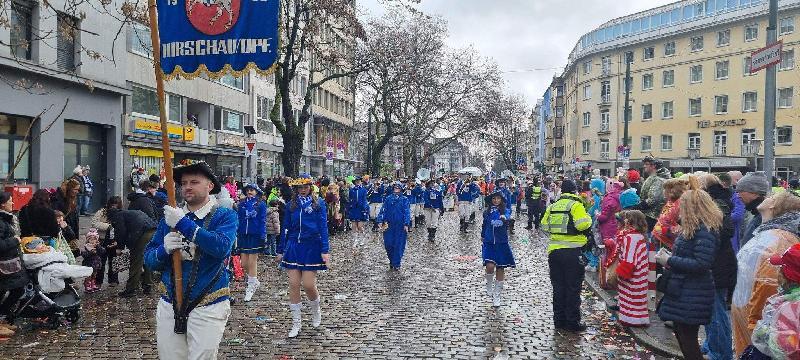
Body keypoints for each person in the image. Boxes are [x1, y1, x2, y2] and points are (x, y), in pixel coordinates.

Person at [144, 161, 237, 358]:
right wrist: (163, 250)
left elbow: (221, 248)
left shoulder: (224, 215)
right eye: (184, 183)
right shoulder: (169, 218)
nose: (187, 186)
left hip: (208, 302)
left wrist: (184, 224)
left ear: (210, 186)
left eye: (194, 182)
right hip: (170, 302)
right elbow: (150, 261)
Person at [655, 178, 722, 360]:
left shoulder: (704, 231)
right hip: (683, 289)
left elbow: (702, 263)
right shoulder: (693, 228)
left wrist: (670, 259)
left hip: (693, 291)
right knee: (682, 334)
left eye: (682, 205)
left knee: (688, 337)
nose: (679, 208)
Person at [732, 190, 800, 356]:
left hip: (756, 322)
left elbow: (769, 285)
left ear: (776, 206)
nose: (767, 197)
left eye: (772, 197)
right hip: (748, 313)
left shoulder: (780, 238)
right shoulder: (772, 232)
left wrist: (756, 326)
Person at [277, 174, 329, 338]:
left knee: (308, 284)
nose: (303, 190)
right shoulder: (292, 204)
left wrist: (325, 250)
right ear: (296, 189)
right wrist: (280, 249)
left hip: (311, 246)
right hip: (293, 247)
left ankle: (316, 310)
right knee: (293, 284)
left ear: (311, 187)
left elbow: (323, 228)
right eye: (300, 187)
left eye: (306, 186)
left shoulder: (318, 203)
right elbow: (285, 227)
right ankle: (296, 323)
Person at [540, 179, 593, 332]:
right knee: (573, 287)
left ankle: (559, 320)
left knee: (558, 287)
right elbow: (582, 224)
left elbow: (544, 225)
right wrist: (589, 218)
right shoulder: (576, 205)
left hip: (554, 252)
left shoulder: (553, 206)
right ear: (575, 191)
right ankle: (572, 322)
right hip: (573, 252)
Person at [698, 173, 736, 360]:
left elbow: (723, 233)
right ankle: (711, 346)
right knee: (712, 311)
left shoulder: (718, 207)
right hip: (719, 265)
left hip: (718, 266)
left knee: (717, 312)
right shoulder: (719, 204)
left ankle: (720, 353)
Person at [745, 243, 800, 359]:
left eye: (781, 269)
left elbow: (785, 349)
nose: (778, 273)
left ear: (788, 276)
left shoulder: (789, 308)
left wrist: (765, 333)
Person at [109, 206, 158, 298]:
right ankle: (148, 285)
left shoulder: (117, 216)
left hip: (143, 234)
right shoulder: (129, 213)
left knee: (136, 261)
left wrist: (120, 248)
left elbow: (121, 232)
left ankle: (131, 289)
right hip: (153, 230)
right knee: (147, 259)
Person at [614, 210, 650, 327]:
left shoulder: (631, 237)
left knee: (630, 299)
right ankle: (639, 319)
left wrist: (621, 274)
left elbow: (629, 259)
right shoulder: (640, 236)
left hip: (632, 276)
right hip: (640, 275)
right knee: (638, 299)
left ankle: (630, 320)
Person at [482, 190, 514, 307]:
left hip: (501, 243)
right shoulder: (487, 212)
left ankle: (497, 295)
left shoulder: (505, 210)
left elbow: (508, 216)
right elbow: (484, 224)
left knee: (500, 268)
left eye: (498, 199)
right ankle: (489, 284)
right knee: (489, 266)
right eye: (494, 199)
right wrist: (482, 235)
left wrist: (504, 218)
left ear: (501, 200)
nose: (496, 201)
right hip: (489, 242)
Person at [0, 192, 26, 337]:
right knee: (14, 290)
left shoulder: (6, 219)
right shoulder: (1, 221)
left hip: (9, 263)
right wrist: (15, 240)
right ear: (3, 204)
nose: (13, 203)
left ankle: (2, 320)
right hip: (4, 265)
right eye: (10, 201)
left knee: (17, 289)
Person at [237, 183, 267, 302]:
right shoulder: (242, 204)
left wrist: (263, 235)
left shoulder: (260, 205)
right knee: (244, 263)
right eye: (248, 190)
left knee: (252, 261)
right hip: (244, 235)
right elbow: (238, 219)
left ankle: (251, 286)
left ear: (257, 192)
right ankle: (254, 280)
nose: (250, 192)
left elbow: (262, 220)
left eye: (252, 190)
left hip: (255, 235)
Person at [377, 182, 411, 270]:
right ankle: (392, 260)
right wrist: (380, 220)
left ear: (401, 189)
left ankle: (396, 263)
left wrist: (406, 224)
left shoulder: (404, 199)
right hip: (388, 225)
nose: (396, 189)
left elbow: (407, 212)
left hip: (400, 225)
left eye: (398, 188)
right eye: (395, 188)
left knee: (399, 244)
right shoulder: (388, 198)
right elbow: (383, 209)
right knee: (388, 244)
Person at [652, 178, 689, 250]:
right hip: (661, 239)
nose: (663, 192)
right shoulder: (671, 202)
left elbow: (679, 226)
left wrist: (662, 230)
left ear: (671, 191)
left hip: (667, 242)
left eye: (665, 189)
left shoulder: (679, 205)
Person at [736, 171, 771, 249]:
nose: (737, 195)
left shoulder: (766, 216)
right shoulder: (758, 213)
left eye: (740, 191)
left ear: (755, 193)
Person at [93, 196, 122, 287]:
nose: (114, 207)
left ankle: (114, 280)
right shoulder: (102, 212)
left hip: (114, 240)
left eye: (116, 205)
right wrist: (107, 226)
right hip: (102, 239)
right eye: (112, 205)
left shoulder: (120, 213)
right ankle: (98, 281)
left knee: (114, 260)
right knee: (101, 260)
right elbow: (94, 223)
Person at [639, 156, 671, 232]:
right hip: (651, 215)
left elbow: (654, 199)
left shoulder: (659, 180)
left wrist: (639, 206)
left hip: (653, 217)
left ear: (654, 166)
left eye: (647, 164)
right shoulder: (655, 178)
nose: (644, 166)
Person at [81, 229, 105, 294]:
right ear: (88, 240)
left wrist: (98, 247)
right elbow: (84, 255)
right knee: (88, 275)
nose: (93, 241)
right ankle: (87, 285)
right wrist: (91, 252)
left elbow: (102, 252)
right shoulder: (86, 247)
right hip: (88, 264)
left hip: (96, 263)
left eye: (94, 239)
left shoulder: (97, 246)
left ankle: (93, 284)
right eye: (91, 239)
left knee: (94, 274)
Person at [348, 177, 369, 246]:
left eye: (358, 181)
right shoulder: (351, 190)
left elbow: (365, 200)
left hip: (361, 209)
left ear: (361, 182)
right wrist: (349, 207)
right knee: (354, 226)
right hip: (354, 209)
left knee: (360, 226)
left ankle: (362, 238)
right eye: (356, 181)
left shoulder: (363, 190)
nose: (357, 182)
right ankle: (355, 240)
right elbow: (350, 199)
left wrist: (365, 208)